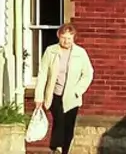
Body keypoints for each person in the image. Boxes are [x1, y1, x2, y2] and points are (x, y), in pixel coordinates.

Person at [34, 24, 92, 154]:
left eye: (69, 38)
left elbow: (88, 74)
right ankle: (56, 147)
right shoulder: (51, 51)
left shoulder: (80, 53)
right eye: (63, 38)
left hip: (72, 96)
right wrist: (39, 97)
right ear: (59, 37)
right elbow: (43, 74)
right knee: (59, 120)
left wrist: (78, 90)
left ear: (74, 38)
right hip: (54, 94)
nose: (66, 41)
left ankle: (65, 150)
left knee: (68, 125)